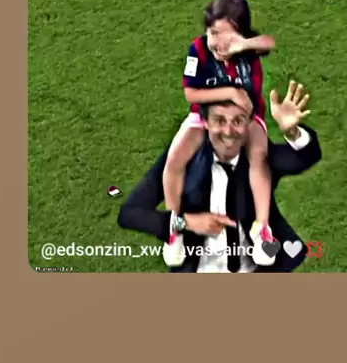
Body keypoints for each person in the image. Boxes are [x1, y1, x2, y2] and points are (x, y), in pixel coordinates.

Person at [118, 81, 322, 274]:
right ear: (205, 122)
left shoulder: (258, 159)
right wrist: (185, 222)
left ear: (249, 123)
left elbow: (305, 158)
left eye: (238, 121)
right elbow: (130, 213)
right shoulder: (181, 161)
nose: (228, 131)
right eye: (219, 121)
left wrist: (292, 131)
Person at [162, 0, 279, 266]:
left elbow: (269, 42)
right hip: (205, 115)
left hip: (247, 117)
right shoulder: (198, 50)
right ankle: (174, 226)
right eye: (214, 33)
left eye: (228, 35)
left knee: (259, 155)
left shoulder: (248, 48)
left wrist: (243, 44)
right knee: (174, 159)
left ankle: (262, 228)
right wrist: (231, 92)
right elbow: (191, 93)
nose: (219, 43)